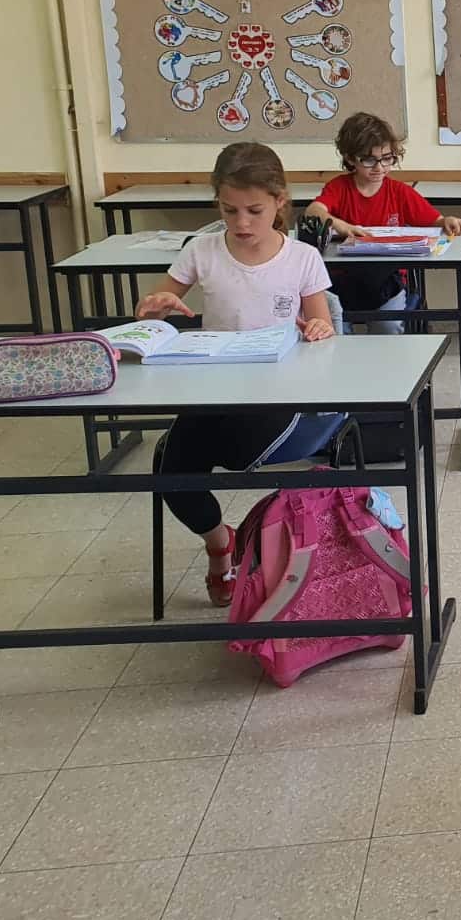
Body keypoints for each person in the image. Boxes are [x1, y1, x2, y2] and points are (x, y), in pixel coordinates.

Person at [136, 143, 337, 607]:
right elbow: (152, 310)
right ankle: (220, 544)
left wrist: (320, 328)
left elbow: (322, 325)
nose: (242, 223)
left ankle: (269, 537)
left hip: (277, 391)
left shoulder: (302, 257)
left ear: (279, 202)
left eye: (254, 211)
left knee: (241, 448)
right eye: (229, 211)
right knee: (171, 474)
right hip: (214, 388)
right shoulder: (202, 251)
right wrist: (155, 307)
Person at [306, 113, 461, 334]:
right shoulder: (339, 188)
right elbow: (313, 211)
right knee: (334, 330)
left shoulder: (399, 192)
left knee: (388, 327)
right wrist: (342, 225)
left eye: (387, 158)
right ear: (351, 158)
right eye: (369, 160)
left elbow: (436, 221)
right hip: (341, 280)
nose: (379, 167)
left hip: (386, 283)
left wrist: (448, 221)